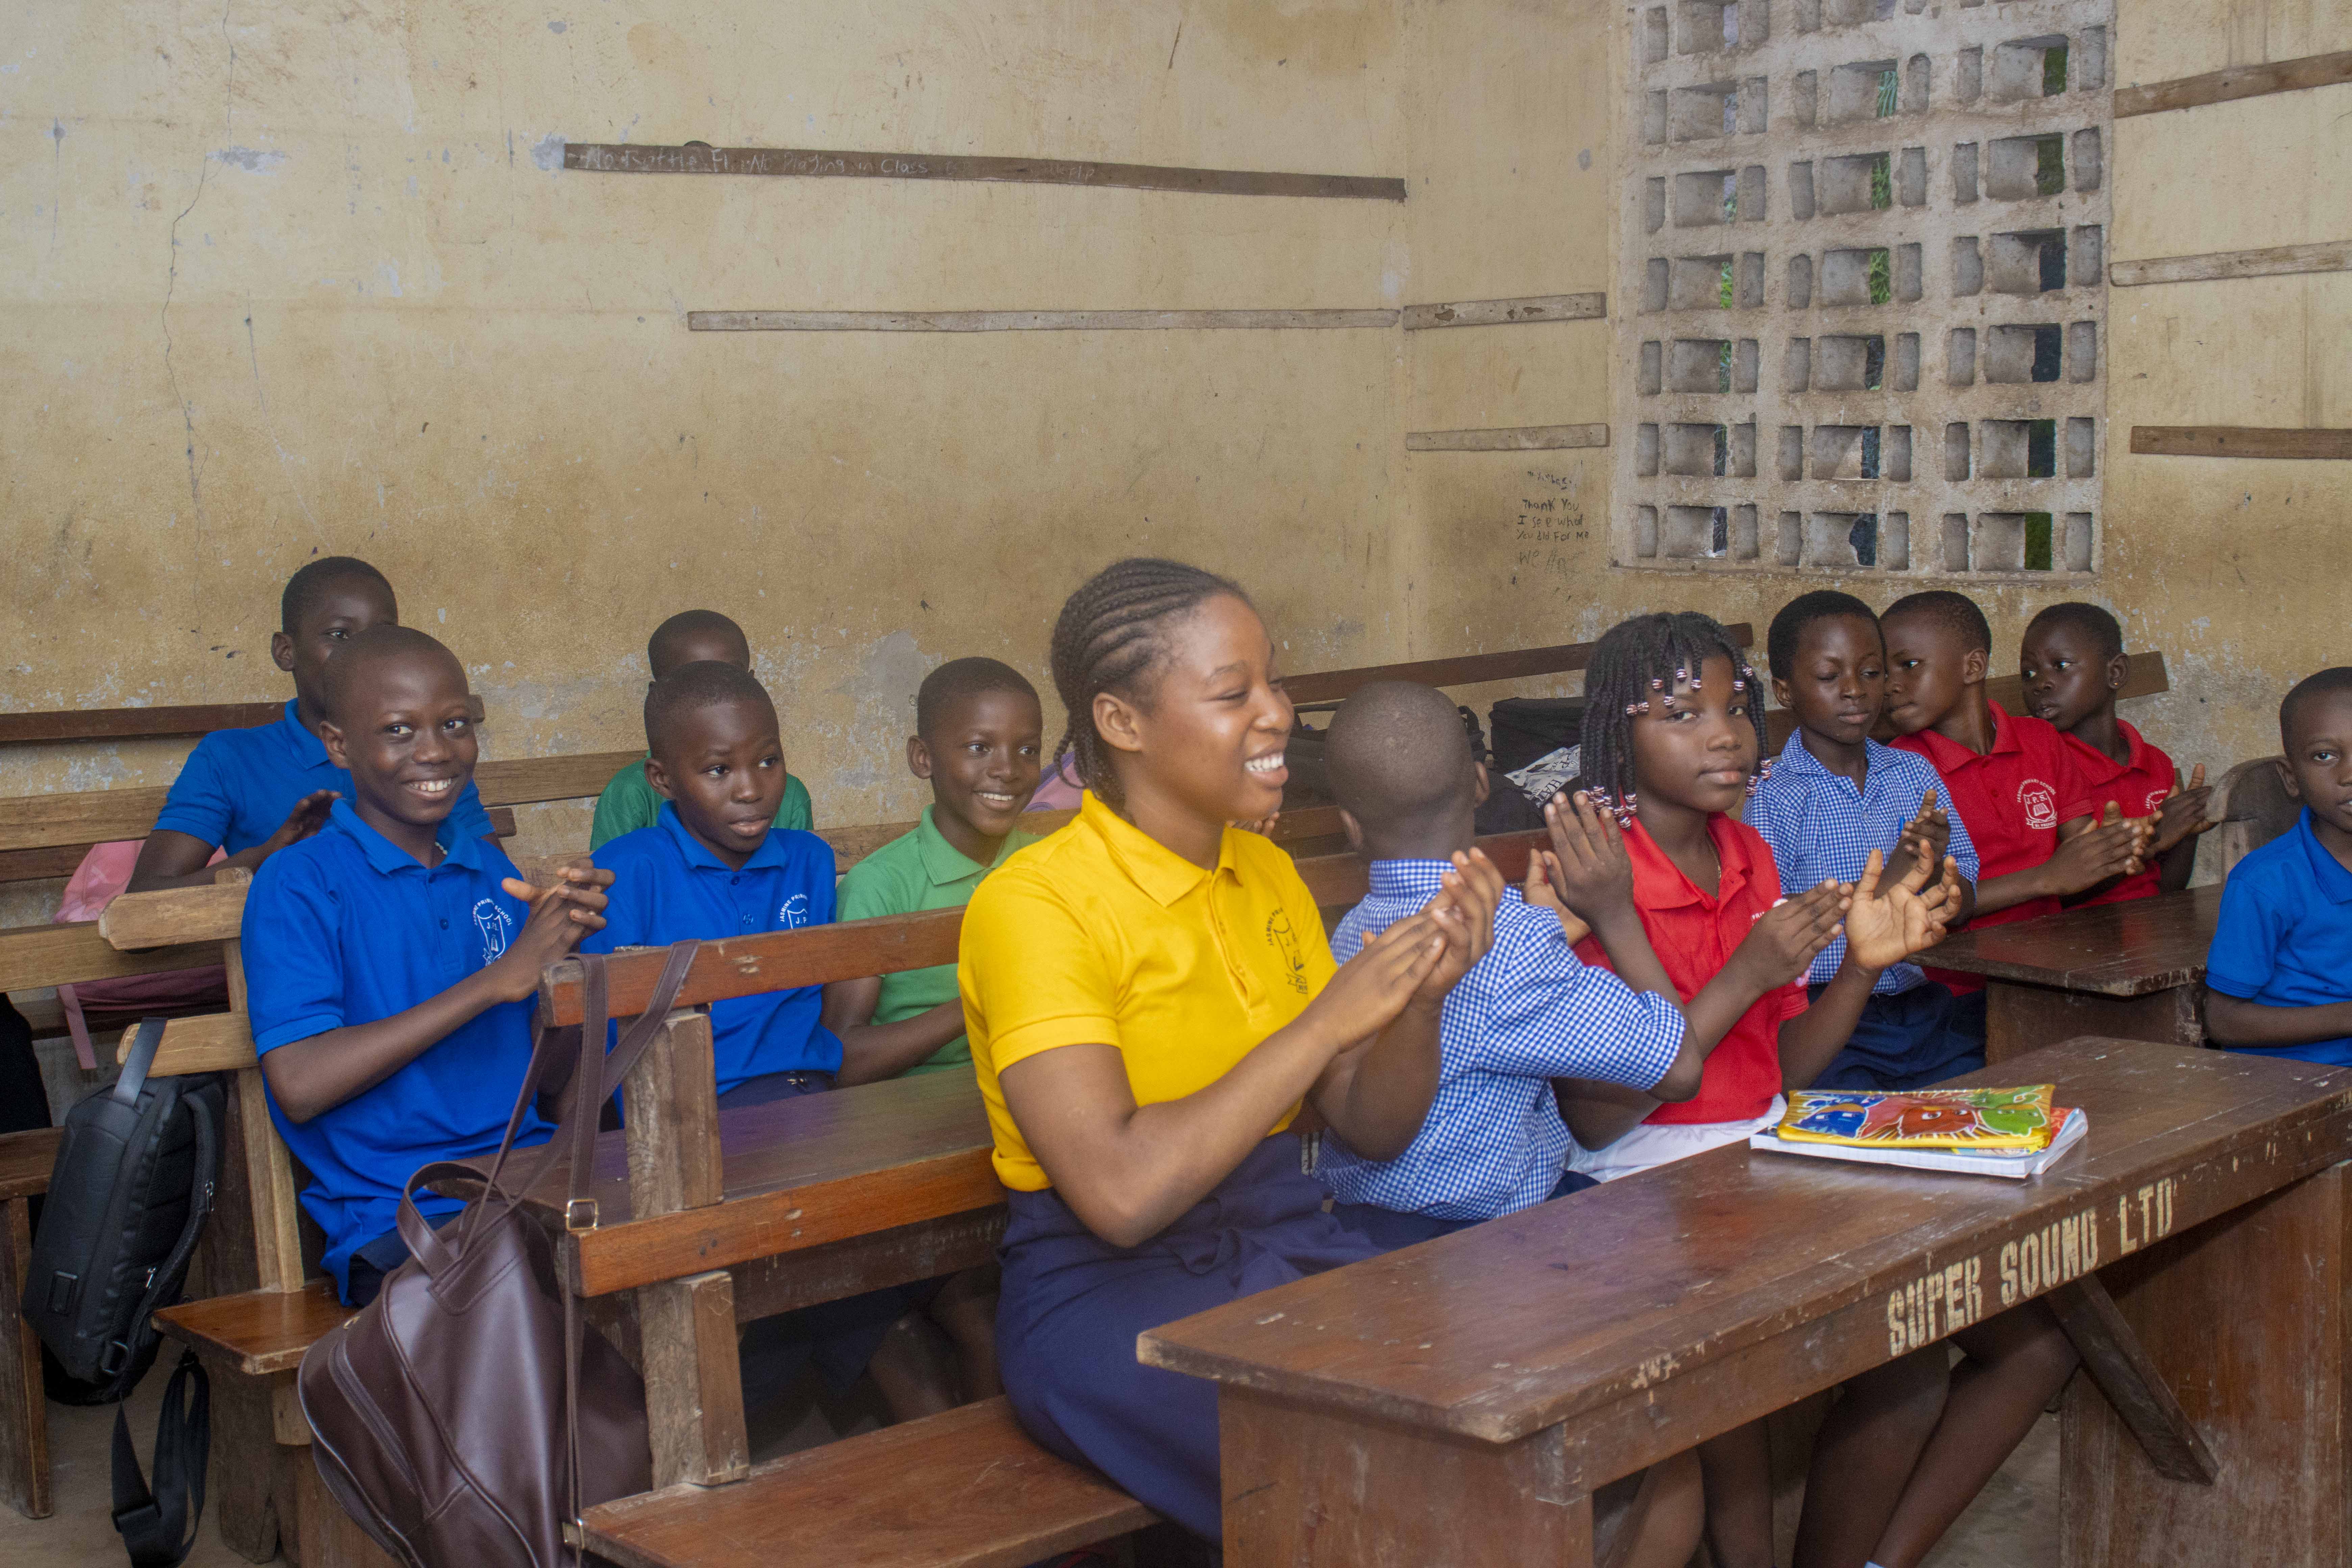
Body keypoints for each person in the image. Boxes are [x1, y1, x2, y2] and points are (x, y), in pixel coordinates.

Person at [958, 558, 1502, 1544]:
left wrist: (1421, 1001)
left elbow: (1373, 1126)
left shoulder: (1264, 870)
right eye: (1232, 692)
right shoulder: (1036, 903)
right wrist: (1325, 1023)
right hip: (1111, 1298)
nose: (1278, 712)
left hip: (1287, 1243)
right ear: (1121, 722)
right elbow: (1119, 1195)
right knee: (1380, 1479)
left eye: (1274, 680)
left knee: (1513, 1397)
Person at [1550, 611, 1962, 1568]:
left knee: (1918, 1349)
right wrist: (1745, 970)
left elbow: (1778, 1074)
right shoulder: (1598, 873)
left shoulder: (1748, 854)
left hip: (1755, 1155)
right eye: (1685, 715)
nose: (1727, 734)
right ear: (1619, 735)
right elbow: (1597, 1116)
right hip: (1634, 1185)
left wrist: (1858, 967)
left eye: (1733, 708)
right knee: (1729, 1392)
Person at [584, 660, 963, 1417]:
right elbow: (615, 1045)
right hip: (698, 1116)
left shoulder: (809, 861)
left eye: (768, 760)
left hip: (815, 1105)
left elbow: (825, 1021)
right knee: (846, 1285)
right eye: (718, 769)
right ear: (663, 778)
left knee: (921, 1228)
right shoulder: (626, 874)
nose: (752, 786)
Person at [240, 626, 608, 1306]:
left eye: (455, 723)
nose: (435, 750)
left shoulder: (489, 871)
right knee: (525, 1298)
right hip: (403, 1211)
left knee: (694, 1240)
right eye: (399, 730)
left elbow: (554, 1091)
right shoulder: (300, 882)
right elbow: (299, 1081)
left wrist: (566, 964)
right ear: (339, 744)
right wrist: (491, 983)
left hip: (528, 1182)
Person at [1316, 679, 1704, 1247]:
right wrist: (1614, 914)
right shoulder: (1510, 942)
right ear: (1479, 784)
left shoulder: (1348, 932)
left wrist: (1539, 927)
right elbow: (1678, 1066)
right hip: (1483, 1244)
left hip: (1365, 1226)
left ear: (1350, 825)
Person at [128, 556, 496, 894]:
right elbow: (144, 902)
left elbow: (496, 882)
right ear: (286, 652)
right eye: (339, 635)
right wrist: (270, 855)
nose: (361, 651)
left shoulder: (427, 758)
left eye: (381, 634)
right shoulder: (230, 758)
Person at [1748, 590, 1987, 1090]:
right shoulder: (1776, 794)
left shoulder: (1913, 772)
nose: (1855, 690)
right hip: (1827, 1016)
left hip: (1920, 1009)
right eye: (1830, 677)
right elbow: (1774, 918)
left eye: (1872, 673)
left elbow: (1966, 898)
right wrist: (1894, 880)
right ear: (1786, 691)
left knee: (1972, 1100)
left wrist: (1937, 866)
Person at [1880, 590, 2151, 1027]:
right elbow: (1929, 903)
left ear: (1973, 667)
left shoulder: (2040, 742)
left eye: (1908, 665)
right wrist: (2046, 879)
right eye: (1882, 670)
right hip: (1955, 988)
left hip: (2051, 969)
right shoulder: (1901, 769)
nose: (1890, 684)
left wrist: (2117, 848)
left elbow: (2079, 860)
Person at [828, 657, 1048, 1079]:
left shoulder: (1050, 864)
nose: (1007, 769)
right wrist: (977, 999)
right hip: (918, 1107)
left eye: (1028, 750)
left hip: (1038, 1085)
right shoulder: (879, 886)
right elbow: (843, 1060)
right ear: (923, 757)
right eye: (979, 747)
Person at [2202, 667, 2352, 1065]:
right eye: (2325, 756)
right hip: (2298, 1085)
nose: (2350, 774)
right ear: (2292, 778)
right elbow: (2224, 1021)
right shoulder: (2266, 882)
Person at [2018, 602, 2210, 903]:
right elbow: (2061, 894)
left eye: (2061, 666)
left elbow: (2168, 889)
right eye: (2028, 673)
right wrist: (2154, 841)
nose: (2040, 684)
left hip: (2149, 928)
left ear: (2116, 672)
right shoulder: (2040, 768)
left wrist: (2187, 831)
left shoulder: (2155, 763)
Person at [588, 610, 813, 850]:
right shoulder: (630, 792)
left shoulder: (790, 796)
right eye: (687, 684)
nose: (748, 792)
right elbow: (611, 875)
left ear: (752, 682)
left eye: (728, 677)